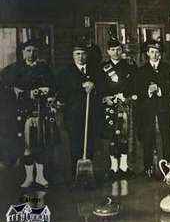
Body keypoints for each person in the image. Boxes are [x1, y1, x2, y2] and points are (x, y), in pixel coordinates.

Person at [0, 39, 56, 188]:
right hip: (23, 112)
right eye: (28, 51)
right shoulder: (14, 69)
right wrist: (21, 92)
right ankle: (29, 177)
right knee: (27, 145)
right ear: (23, 52)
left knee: (41, 143)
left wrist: (48, 91)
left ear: (38, 53)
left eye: (34, 51)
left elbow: (54, 85)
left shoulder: (44, 68)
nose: (31, 54)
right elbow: (5, 86)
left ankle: (41, 177)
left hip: (42, 111)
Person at [57, 42, 100, 180]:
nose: (80, 57)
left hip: (91, 113)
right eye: (77, 54)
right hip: (73, 114)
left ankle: (88, 171)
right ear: (73, 55)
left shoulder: (95, 71)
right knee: (75, 142)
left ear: (87, 55)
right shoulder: (65, 72)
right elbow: (62, 92)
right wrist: (81, 87)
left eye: (83, 54)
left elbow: (103, 88)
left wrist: (94, 85)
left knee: (90, 142)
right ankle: (75, 172)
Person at [98, 36, 137, 180]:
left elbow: (133, 84)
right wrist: (106, 98)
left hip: (125, 105)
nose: (115, 52)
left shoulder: (129, 66)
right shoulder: (103, 68)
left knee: (125, 135)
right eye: (112, 50)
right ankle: (114, 167)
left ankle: (124, 166)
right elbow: (100, 87)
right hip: (109, 106)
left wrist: (128, 96)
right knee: (112, 136)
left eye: (118, 49)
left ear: (122, 50)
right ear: (108, 51)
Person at [137, 40, 170, 178]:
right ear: (147, 53)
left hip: (163, 108)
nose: (155, 55)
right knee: (148, 136)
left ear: (161, 54)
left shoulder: (168, 69)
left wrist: (159, 89)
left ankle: (167, 167)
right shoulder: (141, 70)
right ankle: (148, 167)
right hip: (147, 109)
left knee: (165, 136)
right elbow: (138, 89)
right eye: (152, 52)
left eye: (157, 52)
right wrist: (147, 90)